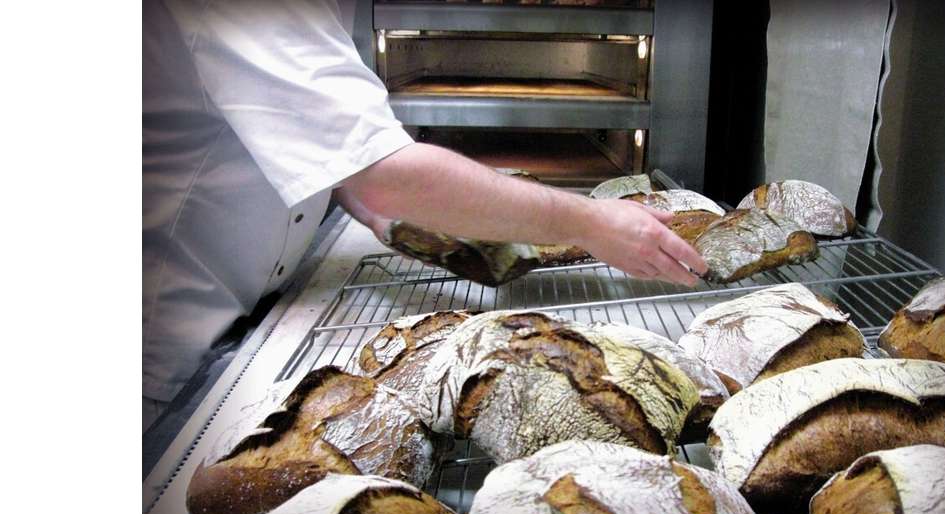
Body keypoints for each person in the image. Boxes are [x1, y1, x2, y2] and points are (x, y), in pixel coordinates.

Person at [143, 0, 707, 432]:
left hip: (246, 312)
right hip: (163, 356)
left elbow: (313, 143)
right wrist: (592, 222)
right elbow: (386, 169)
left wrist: (378, 213)